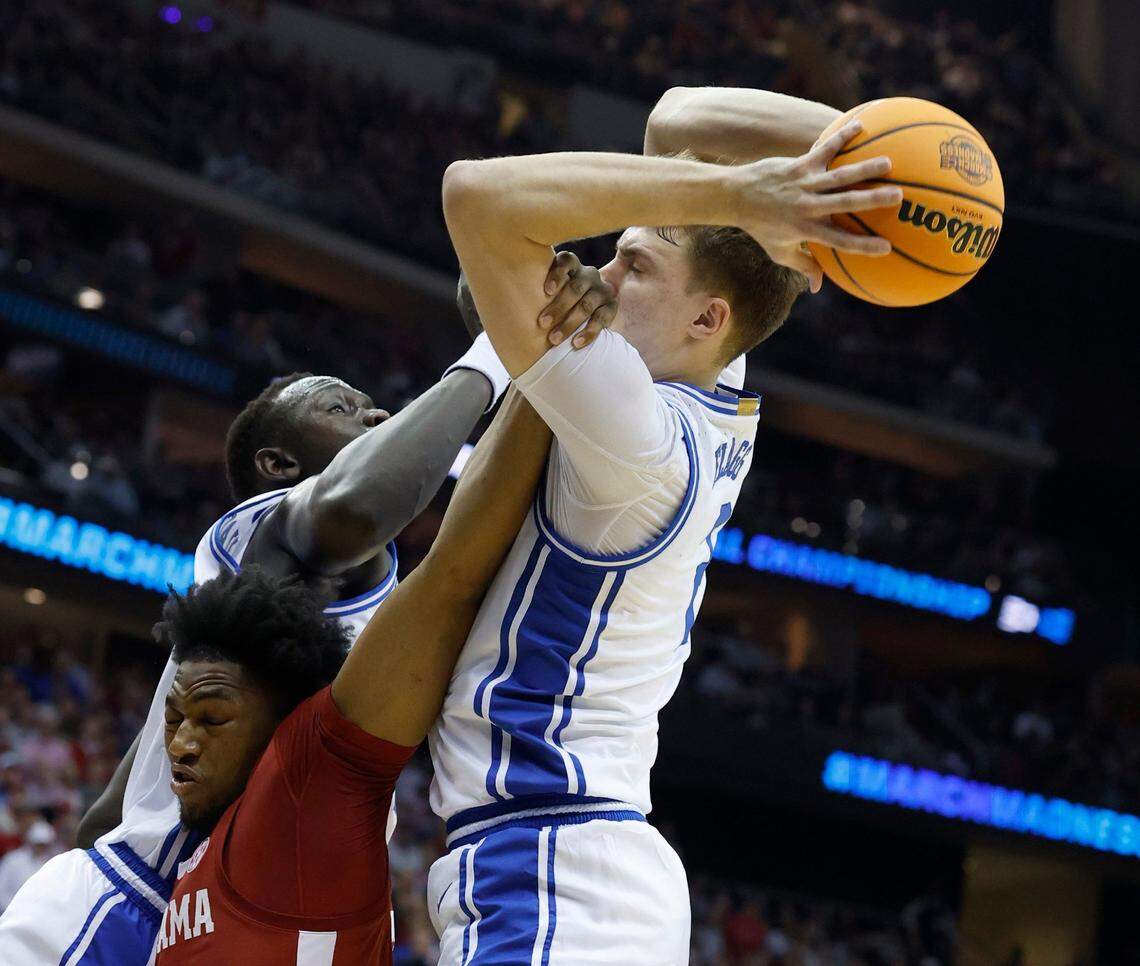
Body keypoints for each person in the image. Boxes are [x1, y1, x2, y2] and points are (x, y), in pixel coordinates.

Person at [0, 256, 616, 963]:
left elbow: (110, 809)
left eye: (368, 406)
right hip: (134, 910)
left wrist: (555, 364)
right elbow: (352, 508)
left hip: (238, 921)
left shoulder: (370, 591)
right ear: (278, 465)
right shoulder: (259, 535)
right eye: (339, 409)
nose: (378, 414)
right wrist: (494, 354)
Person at [426, 92, 899, 962]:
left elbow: (474, 197)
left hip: (555, 865)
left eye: (633, 266)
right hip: (578, 861)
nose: (599, 276)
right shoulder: (716, 364)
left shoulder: (638, 432)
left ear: (705, 317)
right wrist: (871, 161)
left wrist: (747, 198)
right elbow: (679, 121)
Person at [148, 381, 552, 961]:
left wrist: (536, 373)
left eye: (212, 720)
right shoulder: (192, 856)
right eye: (175, 718)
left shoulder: (312, 774)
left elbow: (451, 574)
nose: (181, 744)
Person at [0, 821, 56, 914]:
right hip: (10, 913)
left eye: (44, 844)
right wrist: (13, 911)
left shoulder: (51, 861)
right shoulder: (12, 860)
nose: (41, 847)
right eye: (38, 843)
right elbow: (1, 889)